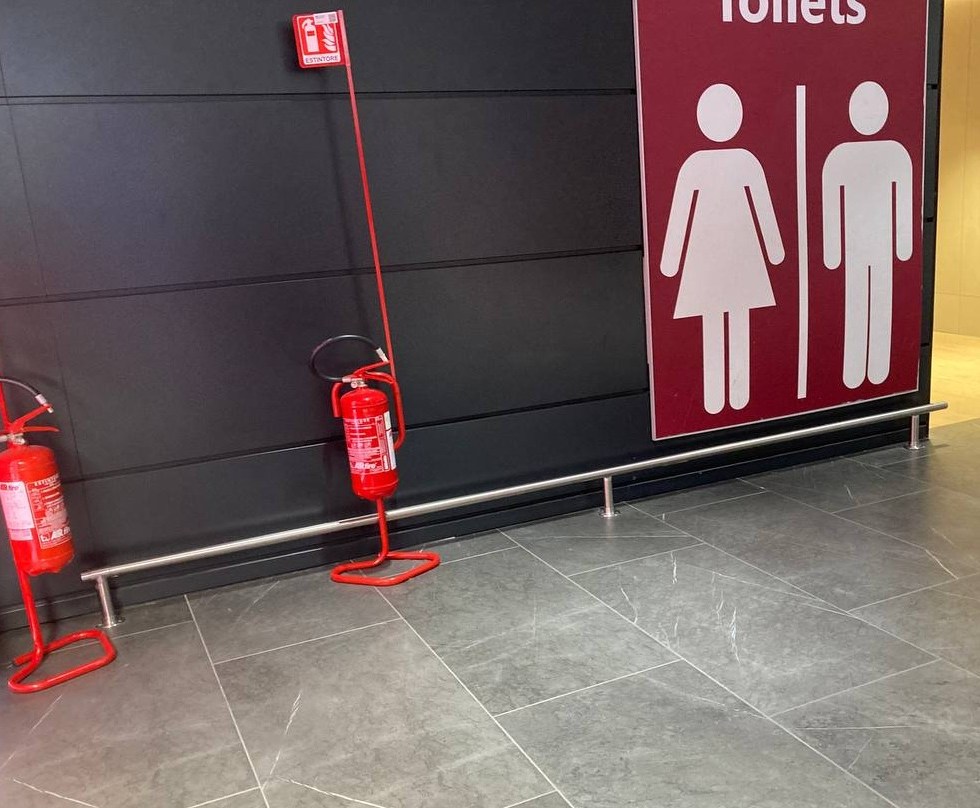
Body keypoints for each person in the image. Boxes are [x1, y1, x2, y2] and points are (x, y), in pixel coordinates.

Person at [661, 83, 785, 415]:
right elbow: (681, 213)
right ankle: (725, 395)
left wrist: (672, 261)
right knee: (724, 321)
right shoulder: (730, 162)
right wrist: (774, 251)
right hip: (725, 256)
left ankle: (729, 394)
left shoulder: (706, 164)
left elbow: (761, 207)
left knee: (725, 321)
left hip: (726, 256)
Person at [822, 81, 913, 389]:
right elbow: (832, 206)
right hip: (864, 247)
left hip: (875, 246)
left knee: (874, 301)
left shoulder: (893, 154)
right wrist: (833, 251)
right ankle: (859, 369)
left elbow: (904, 203)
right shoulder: (842, 157)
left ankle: (875, 369)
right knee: (862, 302)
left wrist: (903, 245)